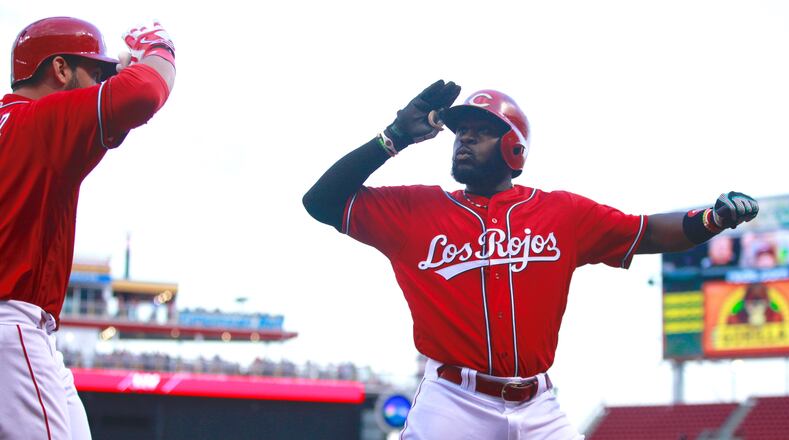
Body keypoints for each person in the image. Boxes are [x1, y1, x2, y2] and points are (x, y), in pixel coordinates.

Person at [302, 80, 759, 439]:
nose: (464, 140)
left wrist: (712, 218)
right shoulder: (414, 211)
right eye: (460, 132)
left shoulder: (561, 213)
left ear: (513, 149)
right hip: (452, 402)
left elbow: (644, 232)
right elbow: (320, 202)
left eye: (481, 133)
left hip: (539, 402)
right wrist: (395, 137)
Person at [0, 17, 176, 439]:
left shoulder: (18, 122)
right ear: (60, 69)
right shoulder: (40, 121)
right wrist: (158, 45)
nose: (101, 81)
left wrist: (109, 72)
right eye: (93, 72)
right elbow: (145, 92)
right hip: (12, 321)